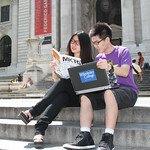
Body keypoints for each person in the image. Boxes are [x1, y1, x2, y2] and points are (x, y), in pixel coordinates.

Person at [63, 22, 138, 150]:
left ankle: (108, 138)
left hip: (127, 91)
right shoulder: (98, 57)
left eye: (97, 42)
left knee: (108, 93)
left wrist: (109, 66)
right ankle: (85, 136)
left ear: (107, 39)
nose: (95, 46)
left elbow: (125, 72)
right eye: (93, 43)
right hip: (106, 93)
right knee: (85, 96)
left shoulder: (122, 51)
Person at [18, 31, 93, 148]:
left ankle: (33, 112)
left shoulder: (91, 62)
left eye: (77, 42)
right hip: (68, 95)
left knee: (64, 82)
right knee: (61, 96)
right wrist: (55, 70)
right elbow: (56, 81)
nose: (73, 45)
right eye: (72, 42)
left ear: (84, 45)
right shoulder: (66, 60)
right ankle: (40, 129)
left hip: (83, 98)